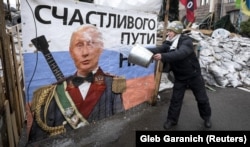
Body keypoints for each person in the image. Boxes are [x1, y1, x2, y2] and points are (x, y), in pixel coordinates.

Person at [28, 24, 125, 142]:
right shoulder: (51, 92)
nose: (85, 52)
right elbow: (37, 139)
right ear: (71, 52)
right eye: (79, 45)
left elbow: (119, 128)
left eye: (90, 44)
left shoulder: (113, 85)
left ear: (101, 48)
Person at [148, 21, 212, 129]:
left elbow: (180, 53)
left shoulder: (186, 41)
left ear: (177, 32)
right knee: (176, 100)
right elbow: (159, 49)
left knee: (202, 99)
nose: (168, 33)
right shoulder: (169, 43)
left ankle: (206, 118)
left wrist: (163, 56)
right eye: (168, 31)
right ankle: (171, 120)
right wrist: (143, 49)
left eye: (170, 31)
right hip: (180, 77)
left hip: (193, 76)